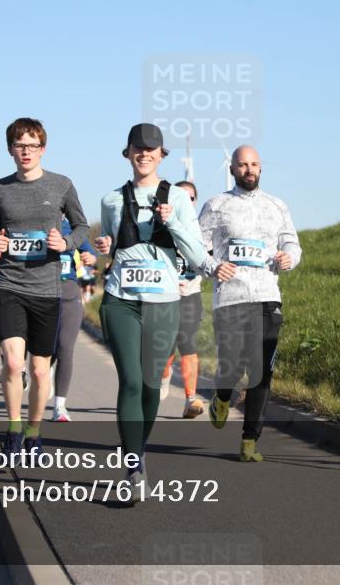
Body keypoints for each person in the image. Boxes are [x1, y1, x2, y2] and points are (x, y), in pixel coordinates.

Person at [95, 123, 224, 502]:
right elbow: (113, 246)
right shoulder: (111, 200)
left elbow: (194, 249)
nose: (144, 154)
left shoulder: (179, 198)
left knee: (152, 385)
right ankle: (133, 466)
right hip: (121, 299)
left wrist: (174, 223)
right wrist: (104, 245)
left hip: (164, 301)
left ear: (162, 155)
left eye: (151, 150)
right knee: (131, 381)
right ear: (128, 153)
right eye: (138, 149)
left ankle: (139, 448)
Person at [0, 117, 88, 458]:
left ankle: (33, 432)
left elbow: (82, 226)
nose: (26, 151)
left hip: (47, 289)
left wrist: (66, 243)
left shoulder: (61, 185)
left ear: (43, 149)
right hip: (11, 285)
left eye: (32, 145)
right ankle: (14, 430)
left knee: (41, 371)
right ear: (10, 150)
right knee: (14, 364)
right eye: (20, 145)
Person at [199, 145, 302, 462]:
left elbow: (291, 243)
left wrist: (289, 258)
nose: (249, 170)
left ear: (260, 168)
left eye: (254, 164)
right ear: (232, 169)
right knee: (232, 366)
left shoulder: (276, 205)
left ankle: (249, 442)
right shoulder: (216, 205)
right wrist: (212, 266)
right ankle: (222, 396)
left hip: (267, 297)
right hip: (230, 298)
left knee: (262, 371)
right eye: (242, 165)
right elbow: (195, 248)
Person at [160, 180, 205, 418]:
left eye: (191, 198)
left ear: (195, 202)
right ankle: (164, 375)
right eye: (181, 197)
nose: (187, 202)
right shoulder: (160, 228)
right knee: (165, 348)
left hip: (190, 294)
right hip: (164, 298)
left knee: (187, 342)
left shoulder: (203, 230)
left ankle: (190, 399)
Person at [51, 220, 96, 422]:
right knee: (47, 351)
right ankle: (42, 372)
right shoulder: (34, 221)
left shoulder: (71, 228)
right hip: (41, 294)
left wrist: (90, 257)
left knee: (65, 348)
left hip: (69, 292)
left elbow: (91, 254)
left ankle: (59, 406)